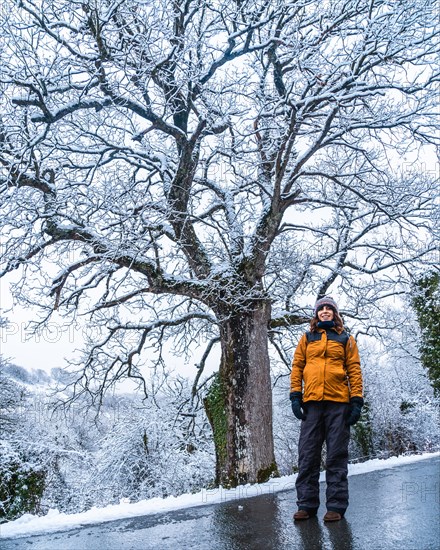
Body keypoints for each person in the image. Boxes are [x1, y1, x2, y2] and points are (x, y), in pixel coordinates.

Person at [289, 296, 364, 522]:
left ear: (335, 313)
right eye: (321, 309)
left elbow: (354, 370)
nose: (324, 311)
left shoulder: (345, 339)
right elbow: (297, 367)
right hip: (311, 404)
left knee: (336, 455)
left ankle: (336, 507)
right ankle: (306, 505)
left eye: (328, 308)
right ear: (316, 314)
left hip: (338, 404)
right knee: (308, 455)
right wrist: (295, 395)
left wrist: (357, 401)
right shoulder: (307, 338)